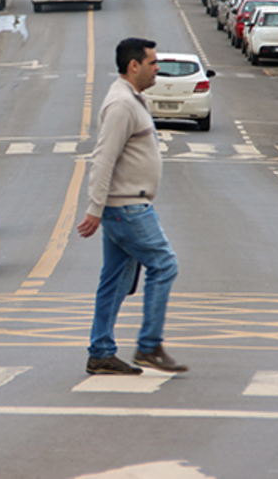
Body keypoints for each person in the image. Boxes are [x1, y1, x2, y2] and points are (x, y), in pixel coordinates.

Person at [77, 37, 187, 376]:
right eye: (153, 62)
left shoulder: (131, 100)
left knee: (114, 282)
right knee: (164, 265)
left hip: (123, 207)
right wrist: (95, 208)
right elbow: (103, 158)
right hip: (127, 208)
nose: (158, 68)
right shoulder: (122, 105)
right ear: (133, 66)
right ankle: (149, 345)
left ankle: (101, 352)